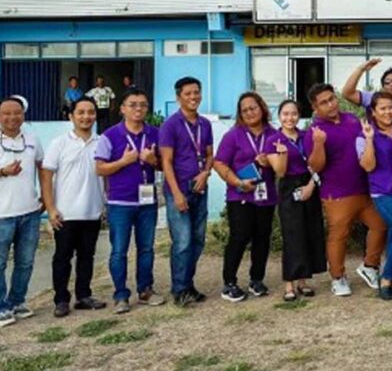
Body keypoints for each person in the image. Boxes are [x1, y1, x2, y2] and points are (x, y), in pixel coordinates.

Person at [306, 83, 386, 297]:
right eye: (324, 102)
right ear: (315, 107)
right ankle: (338, 277)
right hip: (337, 194)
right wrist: (318, 144)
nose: (331, 104)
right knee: (339, 235)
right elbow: (316, 166)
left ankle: (370, 266)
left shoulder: (351, 119)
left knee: (380, 225)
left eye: (332, 99)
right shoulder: (315, 131)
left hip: (364, 189)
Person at [95, 88, 166, 313]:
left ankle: (145, 289)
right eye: (133, 104)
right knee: (119, 250)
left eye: (143, 105)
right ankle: (121, 295)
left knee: (146, 248)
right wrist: (124, 161)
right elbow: (100, 168)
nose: (138, 109)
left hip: (147, 202)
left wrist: (153, 160)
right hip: (120, 203)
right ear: (122, 108)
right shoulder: (109, 136)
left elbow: (165, 165)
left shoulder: (155, 133)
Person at [42, 97, 106, 317]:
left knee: (87, 256)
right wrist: (50, 208)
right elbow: (46, 176)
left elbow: (106, 175)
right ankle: (61, 300)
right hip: (65, 213)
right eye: (81, 112)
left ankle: (83, 296)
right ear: (71, 116)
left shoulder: (102, 142)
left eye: (91, 112)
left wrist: (105, 203)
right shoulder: (59, 143)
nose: (86, 117)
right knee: (62, 257)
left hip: (92, 212)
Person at [213, 92, 279, 302]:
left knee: (262, 238)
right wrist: (238, 182)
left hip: (266, 195)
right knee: (239, 237)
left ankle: (256, 279)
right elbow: (219, 163)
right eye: (244, 110)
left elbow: (283, 165)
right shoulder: (233, 135)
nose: (249, 113)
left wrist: (271, 163)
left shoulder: (274, 134)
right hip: (240, 195)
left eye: (253, 108)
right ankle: (229, 283)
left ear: (262, 108)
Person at [0, 97, 43, 328]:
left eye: (17, 113)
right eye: (6, 113)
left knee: (25, 262)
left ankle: (17, 301)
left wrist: (45, 197)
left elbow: (42, 167)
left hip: (30, 211)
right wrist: (2, 171)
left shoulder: (32, 138)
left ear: (23, 115)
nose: (12, 117)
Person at [159, 77, 214, 307]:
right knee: (182, 241)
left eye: (196, 92)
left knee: (198, 240)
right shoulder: (170, 125)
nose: (193, 97)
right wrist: (177, 194)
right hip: (179, 189)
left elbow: (209, 155)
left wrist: (205, 173)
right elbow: (166, 162)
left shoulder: (205, 124)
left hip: (200, 188)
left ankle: (189, 285)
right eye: (188, 93)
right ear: (178, 97)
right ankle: (179, 289)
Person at [267, 100, 326, 302]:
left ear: (299, 115)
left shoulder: (306, 136)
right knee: (292, 234)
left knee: (309, 231)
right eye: (285, 114)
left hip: (309, 183)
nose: (289, 118)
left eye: (293, 113)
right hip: (288, 187)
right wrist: (283, 154)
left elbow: (317, 164)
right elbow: (280, 171)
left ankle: (303, 281)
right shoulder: (273, 139)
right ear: (279, 116)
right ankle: (289, 284)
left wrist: (311, 185)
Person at [357, 93, 392, 301]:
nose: (388, 112)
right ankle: (386, 279)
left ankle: (391, 279)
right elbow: (368, 166)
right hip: (383, 192)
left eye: (391, 108)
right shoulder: (364, 135)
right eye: (383, 108)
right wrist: (370, 139)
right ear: (373, 112)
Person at [341, 58, 392, 124]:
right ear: (383, 88)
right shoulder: (372, 98)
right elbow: (347, 93)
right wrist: (361, 69)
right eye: (387, 82)